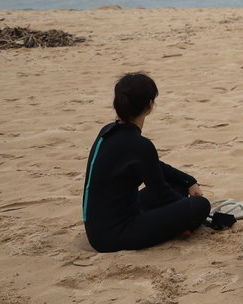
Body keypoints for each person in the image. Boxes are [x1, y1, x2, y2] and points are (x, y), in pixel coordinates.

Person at [82, 72, 211, 252]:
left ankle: (178, 221)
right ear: (149, 106)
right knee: (200, 205)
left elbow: (153, 166)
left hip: (99, 226)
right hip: (114, 235)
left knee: (178, 183)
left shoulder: (108, 132)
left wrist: (188, 180)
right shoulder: (139, 144)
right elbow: (162, 194)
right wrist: (186, 212)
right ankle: (180, 227)